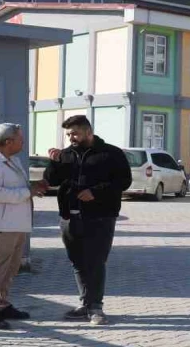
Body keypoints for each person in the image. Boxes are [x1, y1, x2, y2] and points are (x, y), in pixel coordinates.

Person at [44, 115, 132, 326]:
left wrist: (95, 192)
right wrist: (54, 163)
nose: (71, 138)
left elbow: (124, 181)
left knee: (96, 262)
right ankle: (85, 303)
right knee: (78, 262)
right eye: (68, 134)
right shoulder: (65, 155)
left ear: (88, 132)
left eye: (74, 133)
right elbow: (52, 180)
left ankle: (96, 307)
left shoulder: (111, 154)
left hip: (100, 217)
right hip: (69, 217)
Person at [0, 123, 47, 330]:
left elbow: (15, 188)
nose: (23, 142)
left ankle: (1, 305)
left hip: (15, 224)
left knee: (10, 268)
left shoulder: (10, 159)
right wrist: (27, 192)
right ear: (8, 142)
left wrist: (33, 187)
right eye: (21, 139)